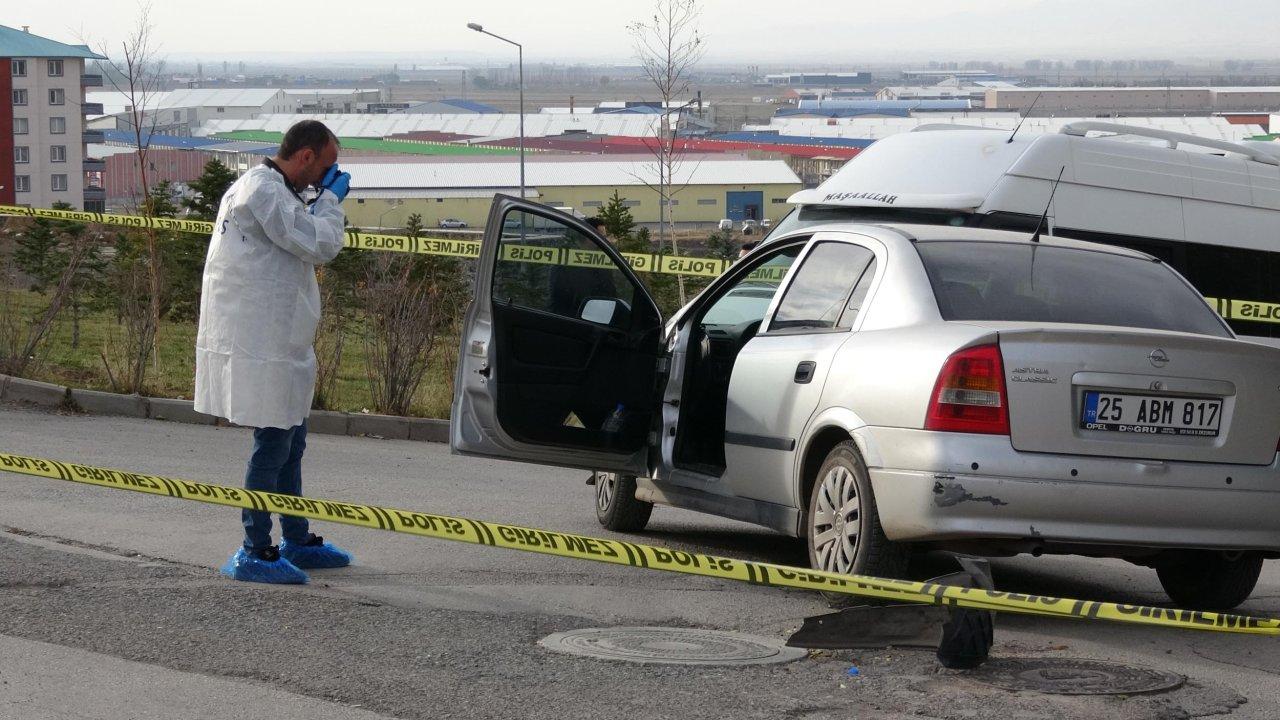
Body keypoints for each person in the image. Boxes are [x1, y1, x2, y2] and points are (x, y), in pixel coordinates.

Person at [195, 120, 353, 584]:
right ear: (305, 157)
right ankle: (255, 548)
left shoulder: (275, 189)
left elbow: (296, 232)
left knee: (293, 439)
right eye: (325, 166)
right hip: (261, 342)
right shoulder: (260, 191)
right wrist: (329, 201)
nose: (327, 175)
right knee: (274, 442)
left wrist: (316, 200)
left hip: (281, 338)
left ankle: (297, 539)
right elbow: (318, 242)